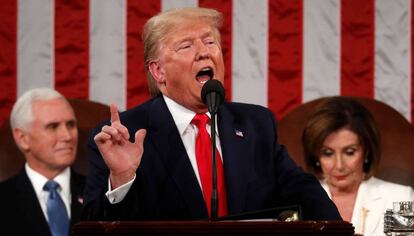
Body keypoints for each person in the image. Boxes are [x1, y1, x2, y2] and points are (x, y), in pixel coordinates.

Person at [82, 7, 341, 221]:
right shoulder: (124, 135)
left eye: (209, 41)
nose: (204, 51)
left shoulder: (255, 124)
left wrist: (337, 230)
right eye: (186, 46)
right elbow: (93, 226)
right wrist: (122, 179)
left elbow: (303, 192)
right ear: (158, 71)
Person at [302, 96, 414, 235]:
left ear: (366, 151)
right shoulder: (300, 202)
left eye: (349, 152)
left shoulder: (399, 198)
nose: (339, 165)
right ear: (316, 156)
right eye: (328, 153)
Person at [0, 88, 85, 236]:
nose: (67, 136)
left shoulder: (101, 194)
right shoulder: (3, 199)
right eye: (53, 127)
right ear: (23, 139)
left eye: (71, 125)